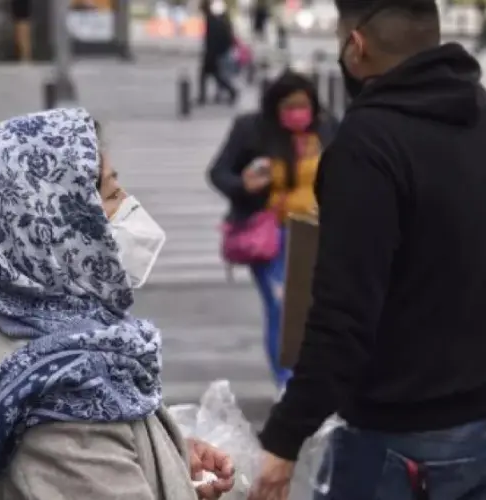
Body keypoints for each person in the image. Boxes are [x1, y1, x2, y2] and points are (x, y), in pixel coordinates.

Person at [0, 108, 235, 500]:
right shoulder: (67, 398)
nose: (131, 210)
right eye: (113, 195)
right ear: (58, 225)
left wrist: (165, 458)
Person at [248, 1, 486, 499]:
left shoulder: (368, 145)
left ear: (356, 47)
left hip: (400, 444)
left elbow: (344, 315)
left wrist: (284, 438)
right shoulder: (478, 114)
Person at [208, 71, 337, 390]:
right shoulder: (252, 129)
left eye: (304, 105)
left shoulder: (327, 128)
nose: (298, 113)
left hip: (318, 232)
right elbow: (218, 172)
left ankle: (314, 376)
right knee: (280, 305)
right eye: (289, 106)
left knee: (316, 309)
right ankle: (286, 380)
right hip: (272, 234)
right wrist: (245, 185)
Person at [199, 0, 238, 106]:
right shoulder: (214, 19)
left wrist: (210, 54)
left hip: (213, 53)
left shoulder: (211, 20)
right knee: (213, 76)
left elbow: (211, 39)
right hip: (216, 52)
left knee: (211, 76)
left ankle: (232, 91)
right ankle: (231, 91)